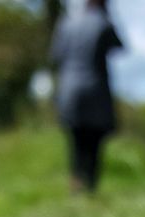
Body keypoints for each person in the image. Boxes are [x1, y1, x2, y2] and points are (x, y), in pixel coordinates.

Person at [50, 0, 124, 193]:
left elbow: (56, 54)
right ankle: (90, 188)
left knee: (76, 140)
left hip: (69, 89)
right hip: (95, 89)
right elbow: (120, 46)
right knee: (94, 141)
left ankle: (76, 185)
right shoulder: (103, 22)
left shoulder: (66, 22)